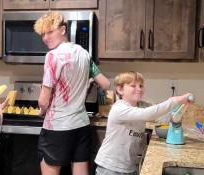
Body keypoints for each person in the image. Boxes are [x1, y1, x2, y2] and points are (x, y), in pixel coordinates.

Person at [33, 11, 111, 175]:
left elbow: (43, 101)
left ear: (62, 30)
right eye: (43, 34)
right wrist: (86, 82)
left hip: (57, 126)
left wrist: (41, 111)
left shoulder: (52, 56)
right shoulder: (84, 53)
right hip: (81, 125)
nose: (45, 38)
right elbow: (106, 83)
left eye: (50, 32)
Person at [94, 71, 193, 175]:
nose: (139, 89)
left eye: (141, 86)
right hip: (110, 168)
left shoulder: (142, 105)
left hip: (129, 167)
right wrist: (174, 100)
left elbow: (163, 117)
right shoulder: (119, 108)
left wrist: (181, 109)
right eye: (133, 86)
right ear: (120, 89)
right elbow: (147, 114)